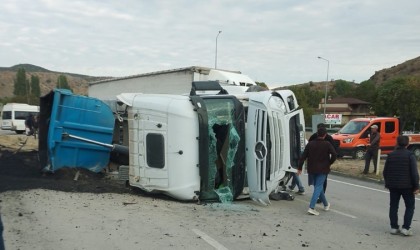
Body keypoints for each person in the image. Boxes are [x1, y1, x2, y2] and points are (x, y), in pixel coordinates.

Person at [383, 135, 419, 236]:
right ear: (407, 144)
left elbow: (385, 171)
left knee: (393, 206)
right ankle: (406, 228)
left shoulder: (391, 155)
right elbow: (414, 173)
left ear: (397, 143)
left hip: (393, 185)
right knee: (410, 206)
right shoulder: (410, 155)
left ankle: (394, 227)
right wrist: (416, 187)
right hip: (407, 186)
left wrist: (387, 183)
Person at [298, 127, 337, 215]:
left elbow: (303, 157)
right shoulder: (327, 144)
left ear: (317, 134)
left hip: (312, 169)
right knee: (319, 187)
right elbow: (334, 154)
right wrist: (329, 163)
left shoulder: (310, 144)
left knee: (318, 187)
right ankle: (311, 207)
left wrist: (299, 168)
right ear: (325, 135)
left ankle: (326, 204)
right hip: (323, 169)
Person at [309, 123, 336, 203]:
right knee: (317, 182)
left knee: (322, 181)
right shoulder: (314, 136)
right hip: (318, 162)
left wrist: (329, 162)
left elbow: (334, 151)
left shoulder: (329, 138)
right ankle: (320, 197)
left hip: (323, 162)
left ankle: (320, 196)